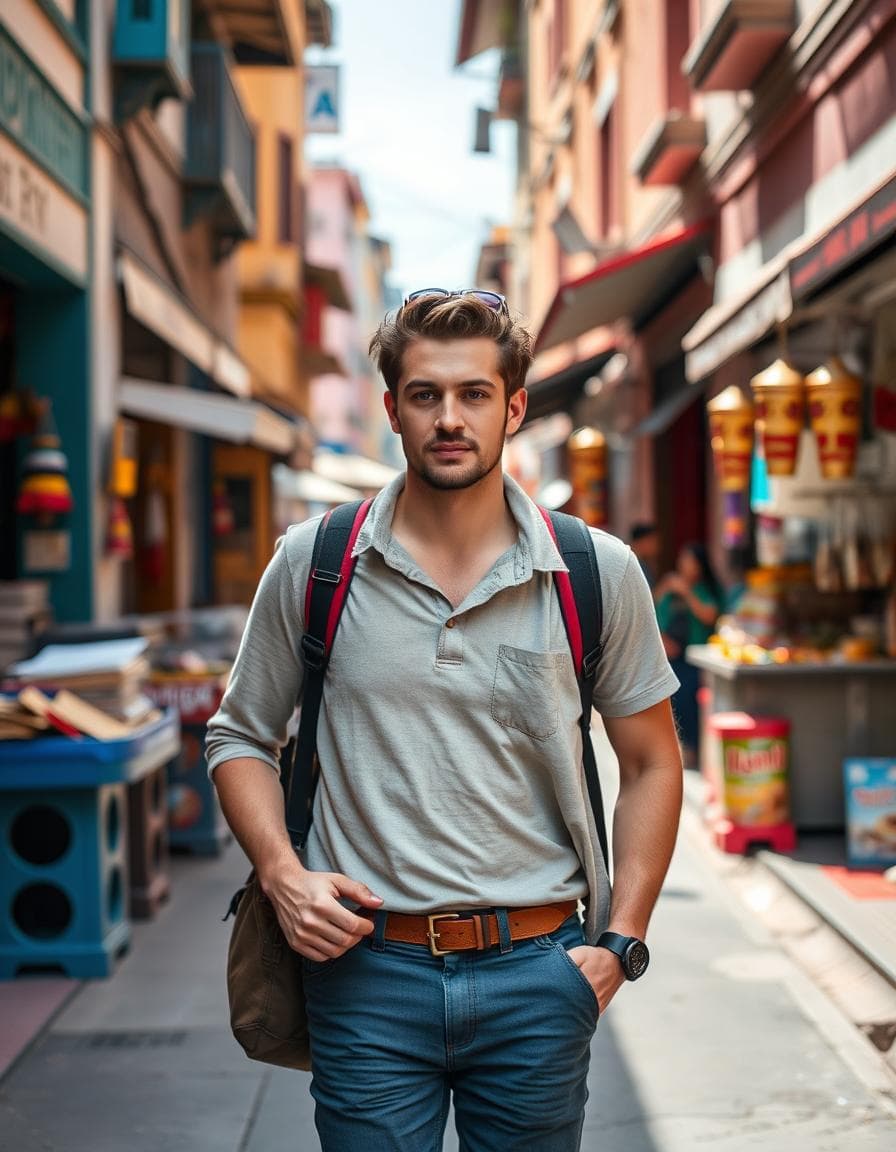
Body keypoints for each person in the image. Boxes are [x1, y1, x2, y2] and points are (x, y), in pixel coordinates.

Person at [206, 289, 683, 1152]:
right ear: (392, 409)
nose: (450, 418)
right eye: (426, 395)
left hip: (540, 973)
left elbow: (651, 761)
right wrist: (281, 874)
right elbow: (238, 733)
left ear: (516, 406)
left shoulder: (593, 571)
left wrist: (623, 944)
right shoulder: (316, 561)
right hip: (365, 973)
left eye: (474, 394)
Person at [654, 542, 723, 767]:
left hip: (694, 660)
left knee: (691, 705)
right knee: (672, 705)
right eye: (683, 560)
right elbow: (651, 613)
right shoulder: (670, 588)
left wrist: (688, 593)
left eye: (690, 562)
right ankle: (677, 750)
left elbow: (709, 616)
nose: (684, 565)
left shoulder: (705, 591)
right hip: (671, 658)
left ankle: (694, 751)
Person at [629, 521, 660, 590]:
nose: (656, 547)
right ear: (641, 542)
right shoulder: (632, 566)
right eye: (652, 542)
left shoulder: (645, 564)